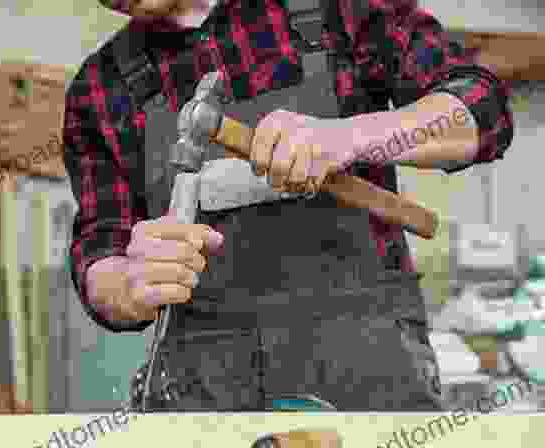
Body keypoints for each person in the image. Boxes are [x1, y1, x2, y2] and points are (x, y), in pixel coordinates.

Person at [62, 0, 514, 411]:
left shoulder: (339, 9)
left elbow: (481, 110)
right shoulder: (101, 87)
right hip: (204, 391)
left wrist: (354, 136)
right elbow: (100, 248)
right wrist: (129, 283)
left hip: (368, 374)